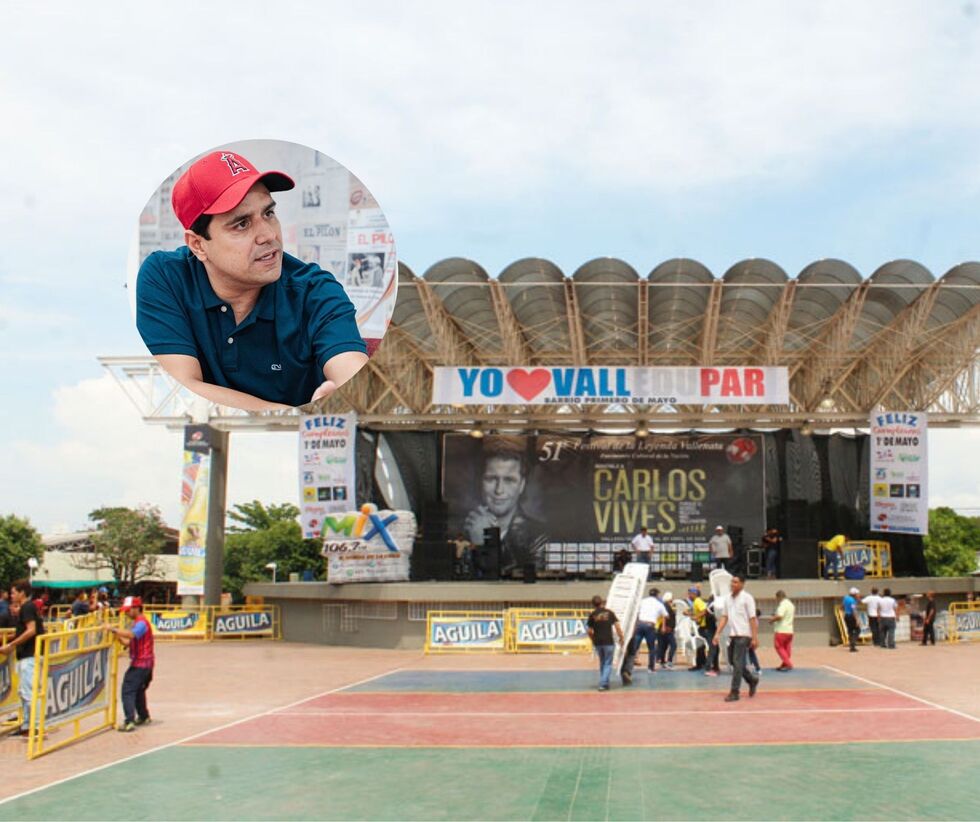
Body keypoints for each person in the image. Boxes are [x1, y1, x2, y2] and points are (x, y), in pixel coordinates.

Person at [136, 150, 369, 411]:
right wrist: (295, 414)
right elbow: (184, 386)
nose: (269, 235)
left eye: (268, 214)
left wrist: (348, 393)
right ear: (198, 245)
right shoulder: (166, 276)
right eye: (242, 224)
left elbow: (351, 368)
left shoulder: (315, 291)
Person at [463, 441, 547, 573]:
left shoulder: (539, 536)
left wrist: (483, 545)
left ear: (522, 485)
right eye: (491, 479)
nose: (499, 490)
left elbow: (515, 589)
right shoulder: (462, 529)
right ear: (480, 482)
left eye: (509, 480)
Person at [0, 580, 45, 736]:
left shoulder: (27, 607)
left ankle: (37, 727)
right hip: (26, 655)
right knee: (23, 692)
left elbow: (31, 630)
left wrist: (11, 645)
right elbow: (24, 631)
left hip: (30, 655)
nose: (11, 596)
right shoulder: (27, 608)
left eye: (13, 592)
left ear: (22, 593)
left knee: (29, 692)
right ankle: (27, 725)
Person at [109, 596, 155, 732]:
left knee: (128, 691)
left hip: (141, 664)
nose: (127, 613)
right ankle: (143, 716)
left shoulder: (141, 623)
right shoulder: (138, 622)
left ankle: (129, 721)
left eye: (128, 610)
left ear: (136, 608)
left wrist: (113, 629)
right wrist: (118, 639)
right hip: (146, 664)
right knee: (139, 690)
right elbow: (129, 642)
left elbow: (131, 635)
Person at [712, 575, 760, 702]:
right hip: (732, 635)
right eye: (732, 582)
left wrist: (754, 638)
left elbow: (752, 618)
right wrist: (717, 633)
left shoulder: (747, 598)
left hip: (744, 635)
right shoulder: (727, 599)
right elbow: (724, 617)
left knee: (738, 663)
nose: (732, 584)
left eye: (736, 582)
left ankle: (735, 692)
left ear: (742, 584)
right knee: (734, 662)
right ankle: (751, 679)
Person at [622, 588, 668, 683]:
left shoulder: (642, 601)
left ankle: (628, 669)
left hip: (640, 624)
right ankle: (651, 668)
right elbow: (666, 615)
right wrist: (658, 616)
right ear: (657, 595)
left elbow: (636, 612)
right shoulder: (659, 604)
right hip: (650, 626)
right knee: (651, 648)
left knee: (634, 649)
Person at [586, 595, 624, 691]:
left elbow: (589, 631)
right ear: (602, 602)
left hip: (598, 642)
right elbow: (617, 627)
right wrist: (621, 637)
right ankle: (603, 683)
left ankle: (605, 682)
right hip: (608, 641)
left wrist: (593, 639)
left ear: (593, 604)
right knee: (607, 663)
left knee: (603, 662)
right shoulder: (610, 613)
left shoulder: (592, 615)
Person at [768, 590, 795, 671]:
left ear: (779, 597)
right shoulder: (791, 605)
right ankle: (784, 664)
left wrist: (772, 620)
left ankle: (788, 664)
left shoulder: (783, 605)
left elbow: (780, 616)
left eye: (777, 598)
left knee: (778, 646)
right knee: (787, 648)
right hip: (789, 630)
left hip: (781, 630)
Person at [687, 586, 709, 671]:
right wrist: (688, 612)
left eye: (690, 594)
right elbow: (695, 610)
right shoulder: (695, 602)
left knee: (700, 645)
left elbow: (704, 610)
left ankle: (700, 664)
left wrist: (696, 617)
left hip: (703, 627)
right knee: (701, 646)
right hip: (701, 626)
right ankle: (702, 662)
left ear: (694, 594)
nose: (688, 595)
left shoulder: (697, 601)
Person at [657, 591, 677, 669]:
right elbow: (664, 616)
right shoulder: (666, 606)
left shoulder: (668, 605)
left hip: (666, 628)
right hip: (667, 628)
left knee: (663, 645)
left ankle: (662, 661)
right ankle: (669, 661)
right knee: (673, 645)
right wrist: (664, 626)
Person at [842, 587, 861, 652]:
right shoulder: (852, 601)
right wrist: (857, 619)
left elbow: (843, 606)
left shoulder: (845, 598)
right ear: (854, 594)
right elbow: (854, 610)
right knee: (857, 630)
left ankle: (851, 645)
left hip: (846, 615)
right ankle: (853, 643)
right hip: (851, 616)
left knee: (850, 630)